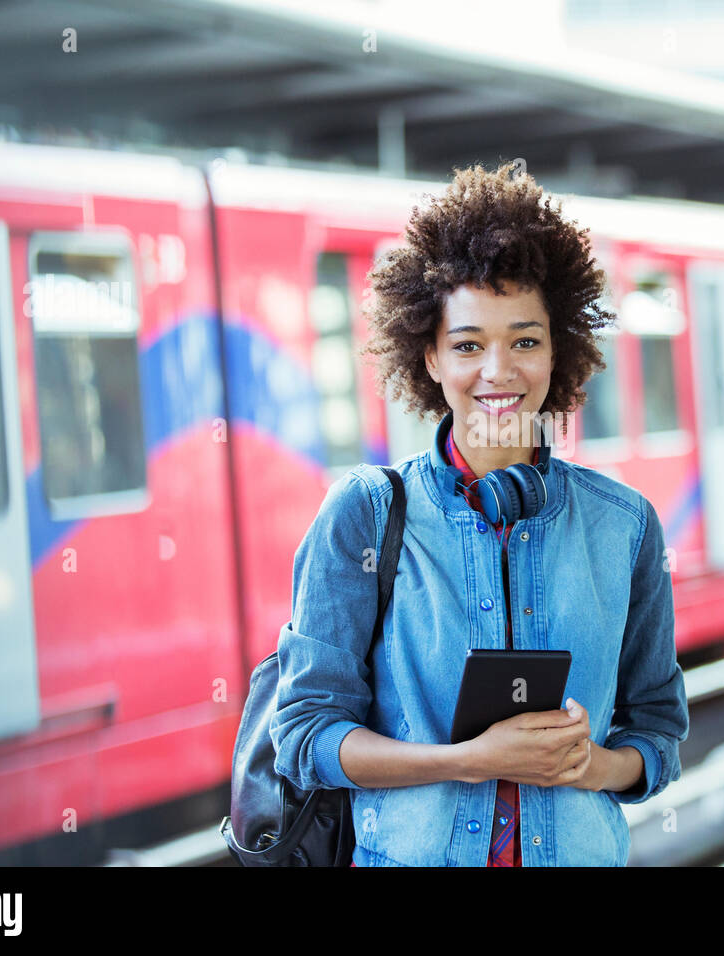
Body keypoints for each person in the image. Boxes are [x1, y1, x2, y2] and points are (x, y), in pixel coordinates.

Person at [269, 160, 689, 866]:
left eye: (525, 340)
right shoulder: (364, 517)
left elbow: (658, 737)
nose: (498, 371)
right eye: (468, 345)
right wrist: (468, 759)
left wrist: (591, 766)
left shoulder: (627, 527)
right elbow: (307, 738)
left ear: (559, 350)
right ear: (429, 357)